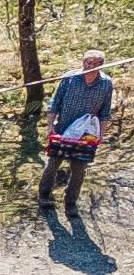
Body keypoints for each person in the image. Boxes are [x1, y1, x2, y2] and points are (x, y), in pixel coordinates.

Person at [41, 49, 113, 212]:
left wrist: (100, 134)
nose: (89, 66)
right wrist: (50, 126)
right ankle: (44, 196)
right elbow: (55, 103)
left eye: (94, 63)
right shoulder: (70, 78)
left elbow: (105, 112)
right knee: (53, 164)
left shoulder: (106, 83)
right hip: (62, 129)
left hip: (86, 134)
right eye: (87, 62)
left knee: (79, 169)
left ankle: (70, 203)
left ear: (101, 65)